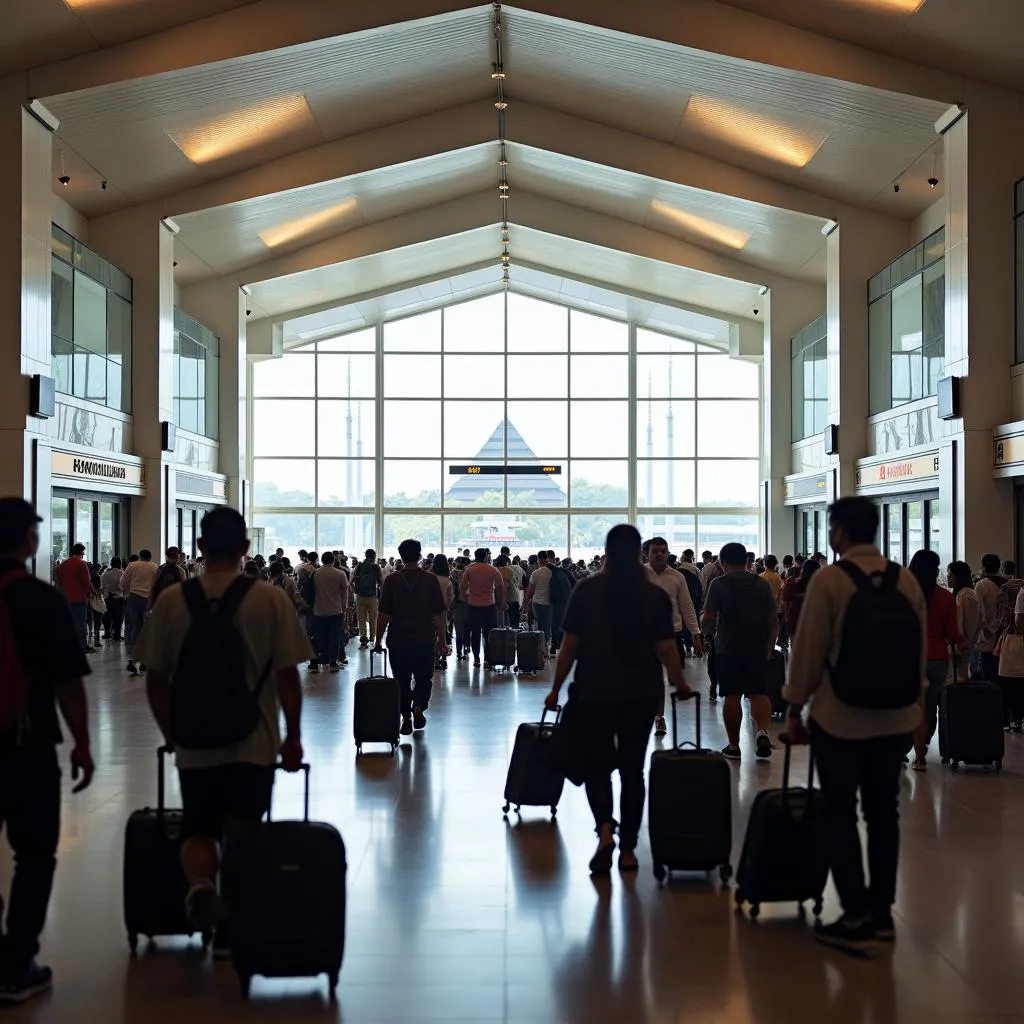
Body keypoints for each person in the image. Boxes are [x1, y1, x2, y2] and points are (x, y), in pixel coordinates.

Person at [135, 507, 309, 958]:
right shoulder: (269, 599)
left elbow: (155, 678)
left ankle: (197, 884)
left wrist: (172, 733)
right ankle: (232, 920)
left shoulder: (173, 600)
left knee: (198, 825)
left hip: (194, 739)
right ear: (246, 549)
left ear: (199, 547)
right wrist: (293, 735)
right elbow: (288, 675)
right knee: (242, 831)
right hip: (255, 740)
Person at [784, 498, 927, 953]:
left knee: (839, 812)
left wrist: (794, 707)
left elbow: (808, 651)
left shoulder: (829, 580)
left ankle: (856, 911)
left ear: (841, 532)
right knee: (885, 813)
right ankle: (883, 912)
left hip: (839, 718)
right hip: (895, 718)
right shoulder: (904, 579)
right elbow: (918, 651)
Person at [544, 525, 694, 876]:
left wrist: (555, 687)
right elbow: (666, 646)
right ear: (640, 553)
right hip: (641, 693)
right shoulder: (653, 596)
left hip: (594, 691)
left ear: (607, 552)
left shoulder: (587, 590)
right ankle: (628, 848)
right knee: (632, 771)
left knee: (597, 767)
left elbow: (569, 646)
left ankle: (605, 832)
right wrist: (680, 682)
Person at [0, 499, 94, 1004]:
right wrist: (81, 742)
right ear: (27, 540)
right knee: (34, 856)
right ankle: (17, 966)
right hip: (28, 745)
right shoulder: (38, 598)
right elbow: (67, 683)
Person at [701, 543, 778, 761]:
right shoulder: (761, 584)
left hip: (728, 648)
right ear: (746, 561)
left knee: (732, 696)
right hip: (757, 647)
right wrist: (770, 645)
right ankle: (762, 731)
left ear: (723, 563)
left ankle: (734, 747)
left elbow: (708, 618)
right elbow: (773, 618)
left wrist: (706, 635)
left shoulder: (719, 584)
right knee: (759, 693)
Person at [374, 539, 448, 736]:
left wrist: (377, 640)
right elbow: (439, 614)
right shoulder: (430, 580)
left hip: (398, 639)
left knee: (401, 679)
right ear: (420, 555)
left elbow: (383, 615)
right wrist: (443, 641)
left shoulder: (392, 580)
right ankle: (418, 706)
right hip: (424, 638)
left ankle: (405, 715)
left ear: (401, 556)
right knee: (424, 677)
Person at [906, 551, 961, 770]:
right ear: (936, 571)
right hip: (938, 657)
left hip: (910, 656)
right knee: (929, 707)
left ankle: (915, 752)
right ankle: (922, 747)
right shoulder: (946, 596)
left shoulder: (905, 594)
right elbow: (953, 632)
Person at [646, 538, 703, 736]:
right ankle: (658, 716)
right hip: (644, 634)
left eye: (663, 551)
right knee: (651, 678)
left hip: (672, 633)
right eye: (655, 551)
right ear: (648, 553)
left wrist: (696, 632)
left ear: (668, 552)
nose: (660, 554)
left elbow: (687, 605)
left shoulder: (678, 577)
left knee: (670, 677)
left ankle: (658, 715)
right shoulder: (639, 575)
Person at [459, 548, 506, 668]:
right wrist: (502, 602)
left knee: (475, 632)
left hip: (473, 605)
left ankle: (476, 658)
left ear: (475, 556)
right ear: (486, 557)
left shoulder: (469, 570)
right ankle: (487, 659)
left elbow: (462, 588)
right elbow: (500, 586)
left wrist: (467, 597)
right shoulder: (492, 570)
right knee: (488, 633)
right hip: (489, 605)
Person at [120, 548, 158, 675]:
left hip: (134, 597)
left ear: (140, 556)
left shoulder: (133, 565)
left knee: (135, 626)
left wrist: (125, 592)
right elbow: (157, 584)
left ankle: (132, 657)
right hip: (148, 599)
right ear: (150, 557)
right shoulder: (154, 567)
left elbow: (123, 580)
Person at [311, 551, 349, 673]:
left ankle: (321, 660)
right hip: (335, 610)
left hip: (318, 610)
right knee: (335, 637)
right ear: (333, 560)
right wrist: (344, 606)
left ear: (321, 560)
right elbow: (345, 591)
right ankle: (333, 662)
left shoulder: (316, 573)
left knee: (320, 637)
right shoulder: (340, 573)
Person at [975, 553, 1008, 682]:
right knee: (1003, 678)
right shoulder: (1007, 584)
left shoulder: (982, 585)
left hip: (988, 637)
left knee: (989, 677)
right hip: (1005, 636)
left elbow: (979, 612)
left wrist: (985, 630)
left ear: (983, 567)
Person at [56, 542, 93, 653]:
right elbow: (87, 582)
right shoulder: (82, 564)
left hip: (65, 599)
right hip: (79, 598)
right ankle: (81, 647)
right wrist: (95, 591)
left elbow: (59, 582)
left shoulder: (61, 565)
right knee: (81, 624)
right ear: (81, 552)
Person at [948, 561, 982, 681]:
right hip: (961, 647)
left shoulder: (966, 595)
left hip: (962, 649)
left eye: (950, 575)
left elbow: (968, 625)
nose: (948, 578)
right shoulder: (964, 594)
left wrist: (960, 647)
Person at [780, 558, 821, 643]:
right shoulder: (820, 587)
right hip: (814, 624)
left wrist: (787, 619)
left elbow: (784, 602)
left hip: (795, 622)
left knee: (796, 650)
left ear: (803, 570)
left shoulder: (791, 583)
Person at [351, 549, 382, 649]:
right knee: (373, 618)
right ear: (374, 556)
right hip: (372, 596)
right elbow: (380, 582)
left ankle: (364, 638)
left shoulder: (359, 566)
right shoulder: (376, 567)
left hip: (360, 597)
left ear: (365, 555)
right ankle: (372, 638)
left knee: (361, 618)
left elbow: (352, 580)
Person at [547, 550, 574, 654]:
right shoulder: (562, 572)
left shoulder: (542, 571)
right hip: (561, 602)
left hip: (550, 601)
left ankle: (552, 644)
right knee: (558, 623)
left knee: (551, 623)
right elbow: (572, 585)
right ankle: (557, 644)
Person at [525, 552, 552, 647]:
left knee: (539, 624)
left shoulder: (535, 573)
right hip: (550, 602)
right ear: (547, 559)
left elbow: (531, 590)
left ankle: (541, 645)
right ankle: (547, 643)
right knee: (548, 623)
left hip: (537, 602)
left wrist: (527, 602)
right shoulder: (552, 572)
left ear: (538, 559)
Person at [101, 557, 125, 642]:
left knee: (106, 617)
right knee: (118, 618)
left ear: (111, 563)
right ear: (119, 564)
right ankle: (117, 635)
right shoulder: (122, 573)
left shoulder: (105, 574)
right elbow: (124, 587)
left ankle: (107, 633)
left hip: (107, 597)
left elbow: (102, 587)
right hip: (118, 598)